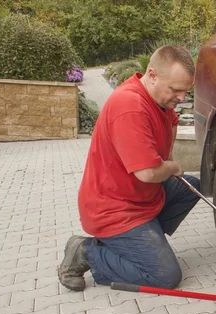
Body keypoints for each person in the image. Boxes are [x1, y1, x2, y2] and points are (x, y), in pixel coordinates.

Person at [58, 45, 200, 292]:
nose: (181, 98)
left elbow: (172, 124)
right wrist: (172, 165)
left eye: (185, 91)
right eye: (176, 90)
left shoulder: (161, 101)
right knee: (166, 276)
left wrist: (166, 158)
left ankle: (143, 244)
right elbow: (147, 173)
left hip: (142, 197)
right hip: (114, 210)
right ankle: (86, 252)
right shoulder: (130, 106)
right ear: (153, 75)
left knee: (191, 187)